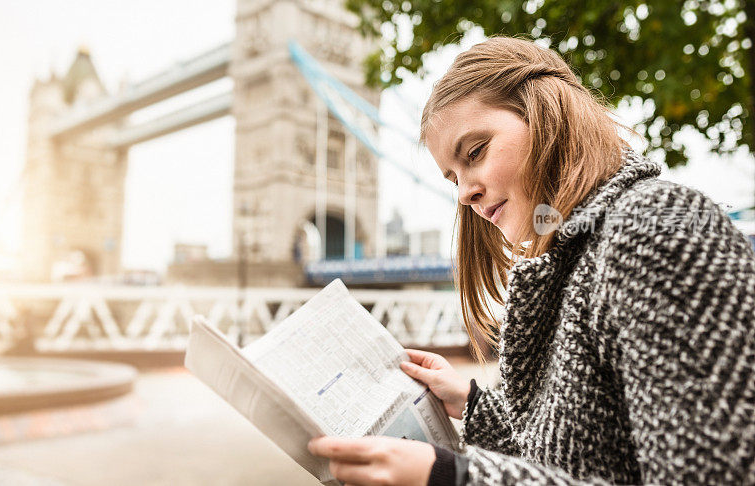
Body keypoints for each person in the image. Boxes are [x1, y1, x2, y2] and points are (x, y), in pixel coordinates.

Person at [308, 36, 755, 485]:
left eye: (475, 152)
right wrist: (475, 405)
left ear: (545, 111)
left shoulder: (658, 230)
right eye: (453, 178)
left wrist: (454, 478)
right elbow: (589, 455)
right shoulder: (578, 252)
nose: (464, 194)